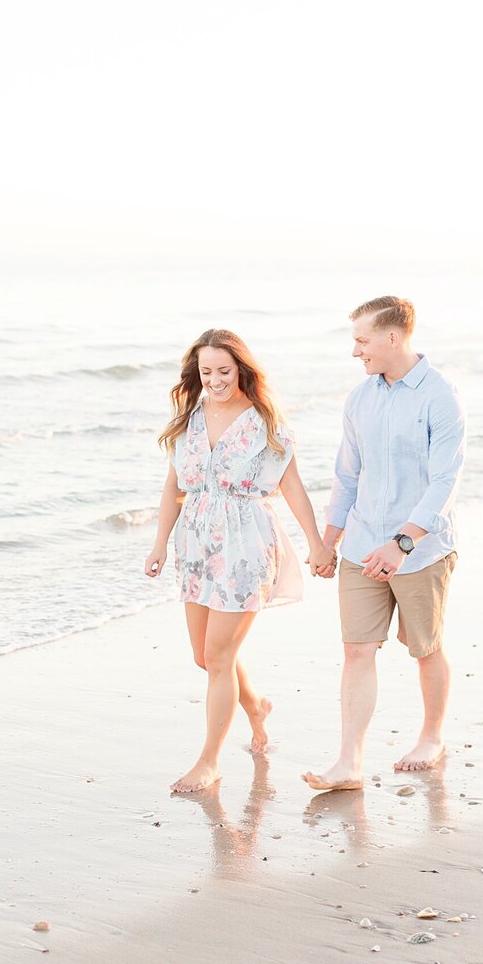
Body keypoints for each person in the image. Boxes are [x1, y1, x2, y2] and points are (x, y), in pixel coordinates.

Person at [145, 328, 335, 794]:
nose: (214, 380)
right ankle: (255, 707)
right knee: (204, 657)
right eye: (206, 371)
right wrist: (157, 543)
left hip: (246, 546)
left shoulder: (265, 423)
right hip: (194, 544)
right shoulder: (189, 420)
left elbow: (293, 489)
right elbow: (174, 488)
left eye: (224, 371)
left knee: (219, 655)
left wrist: (316, 543)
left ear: (242, 370)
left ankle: (208, 762)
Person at [302, 296, 466, 790]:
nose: (356, 351)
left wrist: (402, 543)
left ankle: (432, 737)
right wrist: (328, 541)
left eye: (362, 340)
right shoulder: (360, 398)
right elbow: (346, 477)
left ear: (392, 338)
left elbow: (445, 480)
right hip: (360, 544)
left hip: (420, 551)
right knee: (356, 650)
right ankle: (349, 762)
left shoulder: (440, 395)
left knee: (424, 648)